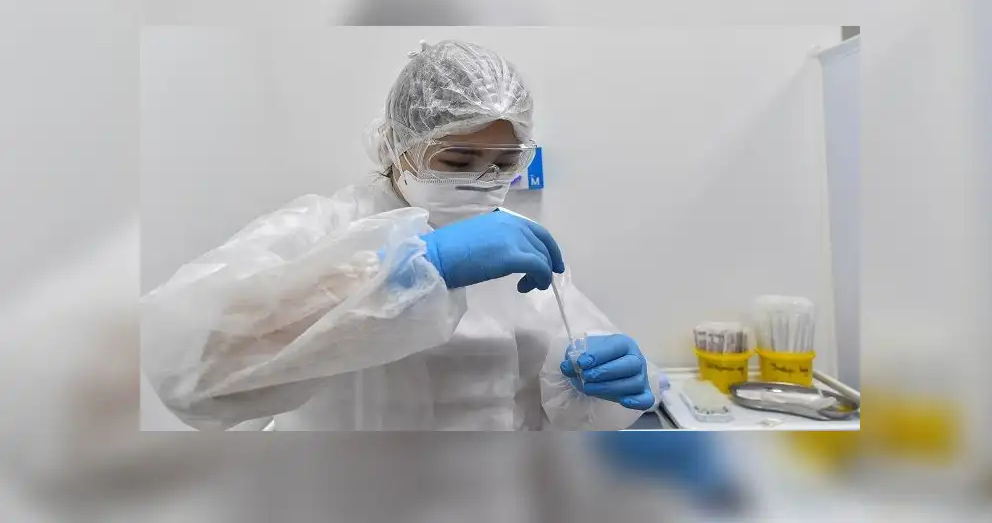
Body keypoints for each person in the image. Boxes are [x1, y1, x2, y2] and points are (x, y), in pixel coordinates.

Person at [141, 39, 658, 431]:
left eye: (504, 163)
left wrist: (604, 385)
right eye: (456, 160)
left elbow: (579, 395)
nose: (483, 180)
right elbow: (185, 369)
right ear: (396, 145)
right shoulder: (324, 229)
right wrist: (411, 271)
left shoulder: (520, 242)